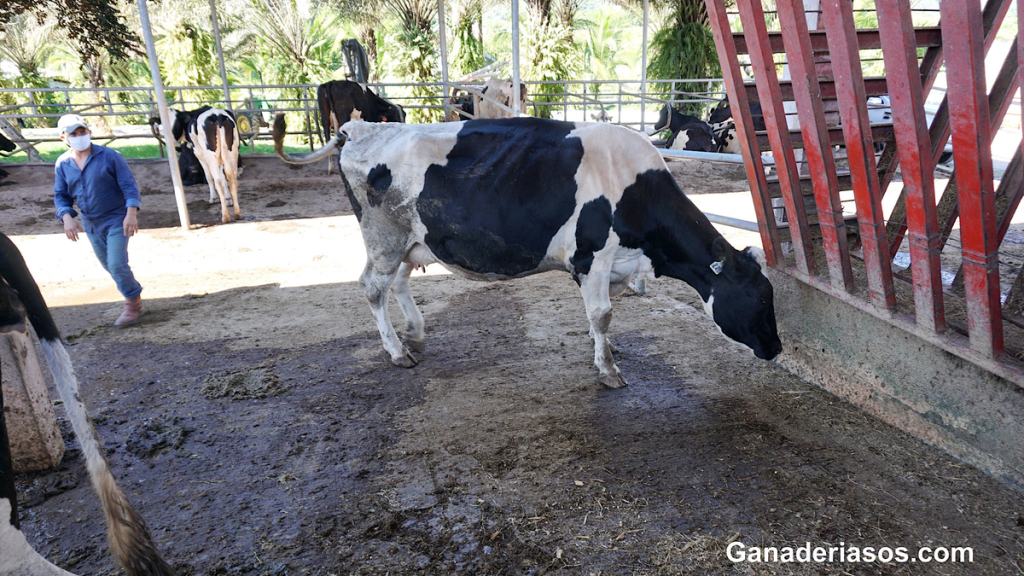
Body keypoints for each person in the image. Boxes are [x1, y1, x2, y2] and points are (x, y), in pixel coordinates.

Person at [53, 113, 144, 327]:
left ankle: (132, 302)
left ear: (89, 132)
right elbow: (61, 195)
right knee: (108, 265)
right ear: (63, 138)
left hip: (117, 218)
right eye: (73, 133)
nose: (79, 136)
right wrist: (67, 217)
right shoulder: (63, 164)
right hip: (90, 222)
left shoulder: (111, 156)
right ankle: (133, 294)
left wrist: (131, 213)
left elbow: (129, 186)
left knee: (116, 263)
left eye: (82, 132)